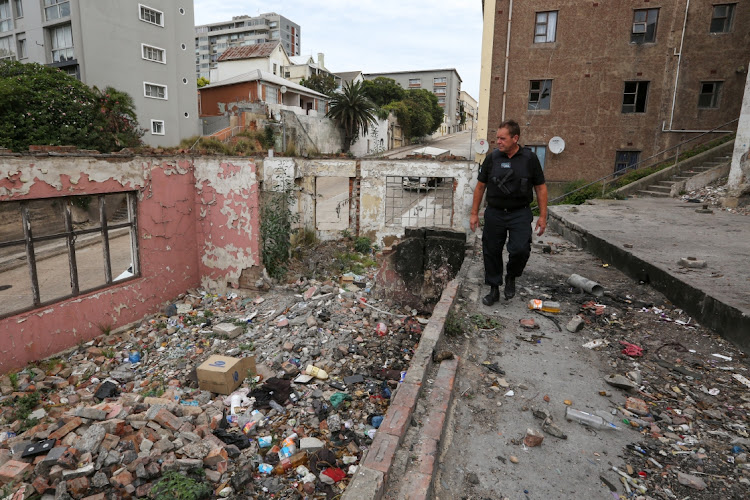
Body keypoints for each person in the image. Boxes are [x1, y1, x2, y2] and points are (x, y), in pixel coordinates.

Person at [469, 120, 548, 306]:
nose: (498, 142)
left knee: (520, 249)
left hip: (520, 213)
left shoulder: (530, 159)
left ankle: (512, 275)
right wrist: (474, 213)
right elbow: (480, 187)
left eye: (502, 138)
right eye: (497, 138)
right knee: (491, 251)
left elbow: (541, 188)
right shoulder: (492, 158)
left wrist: (543, 216)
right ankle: (494, 288)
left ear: (515, 138)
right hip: (495, 212)